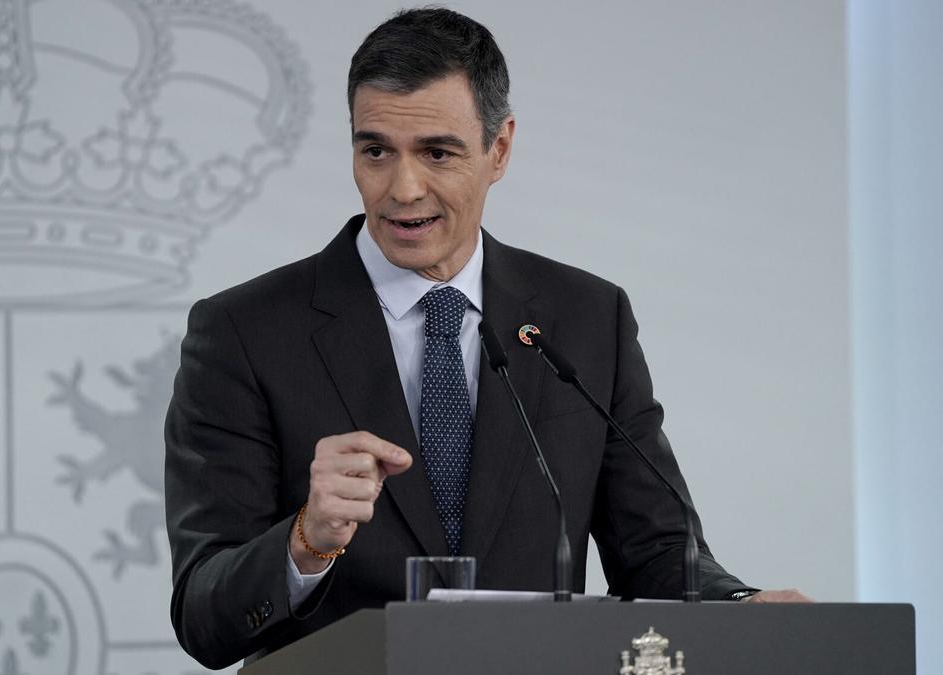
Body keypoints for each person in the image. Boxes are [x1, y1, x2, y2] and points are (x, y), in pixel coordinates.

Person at [165, 8, 807, 670]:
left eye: (437, 152)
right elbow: (203, 616)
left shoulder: (586, 317)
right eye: (375, 150)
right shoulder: (244, 331)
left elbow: (655, 548)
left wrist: (739, 606)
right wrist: (305, 540)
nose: (401, 188)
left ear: (498, 149)